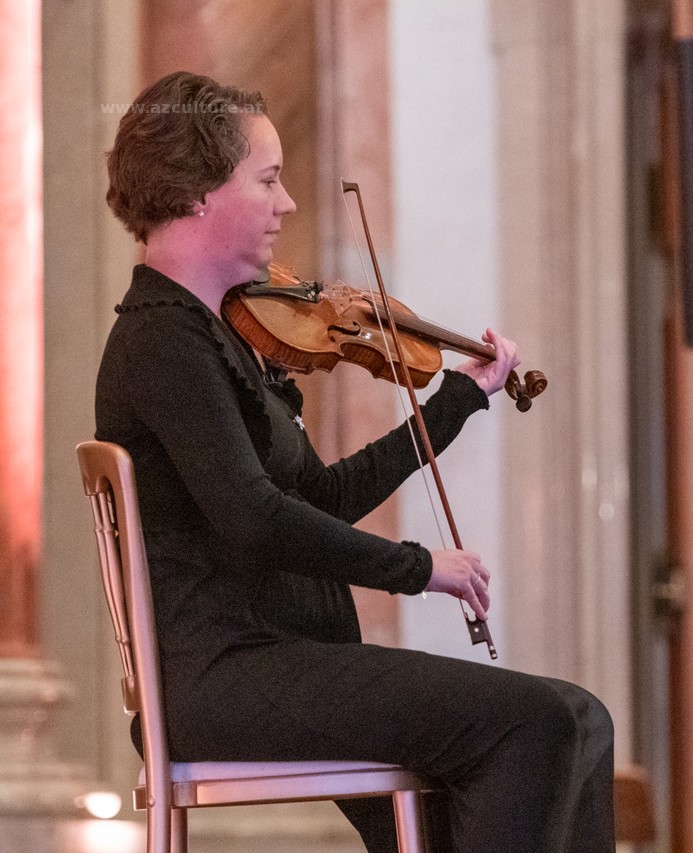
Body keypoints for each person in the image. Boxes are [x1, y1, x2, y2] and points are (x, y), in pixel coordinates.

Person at [98, 71, 614, 852]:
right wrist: (418, 568)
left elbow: (321, 496)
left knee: (584, 718)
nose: (287, 203)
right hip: (226, 674)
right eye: (268, 180)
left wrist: (457, 400)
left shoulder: (217, 336)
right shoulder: (162, 341)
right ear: (199, 191)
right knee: (533, 723)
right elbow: (255, 518)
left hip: (282, 658)